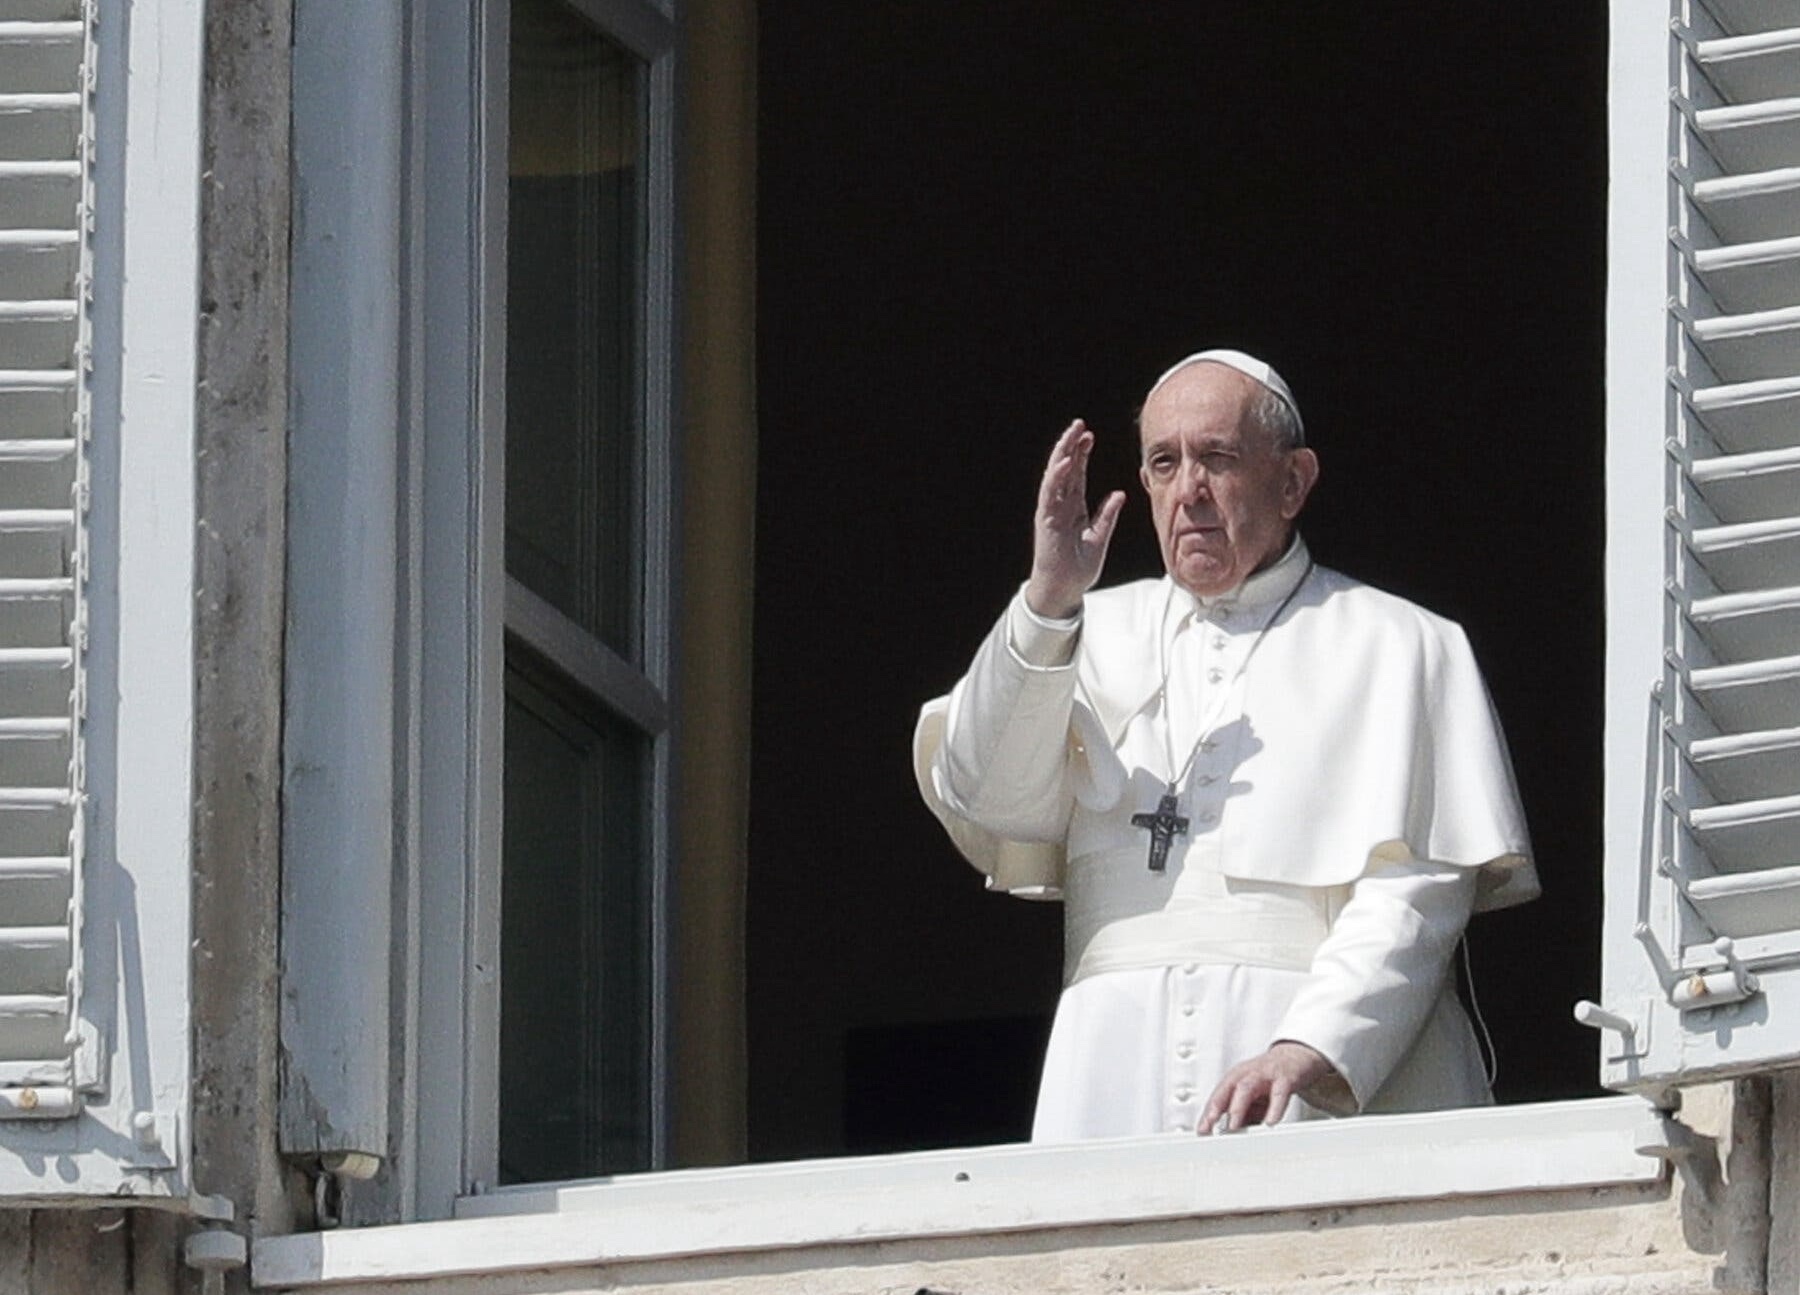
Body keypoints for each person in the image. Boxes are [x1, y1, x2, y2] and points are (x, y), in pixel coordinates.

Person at [912, 350, 1538, 1140]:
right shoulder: (1081, 630)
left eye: (1218, 458)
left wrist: (1309, 1046)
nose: (1190, 492)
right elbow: (986, 791)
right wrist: (1047, 599)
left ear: (1294, 481)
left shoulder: (1401, 642)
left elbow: (1419, 883)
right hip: (1112, 1067)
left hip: (1321, 1067)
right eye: (1164, 464)